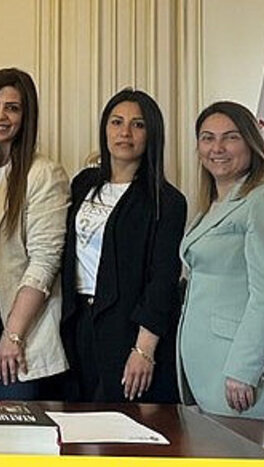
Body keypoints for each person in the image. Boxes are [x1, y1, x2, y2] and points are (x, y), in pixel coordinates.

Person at [178, 101, 264, 443]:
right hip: (203, 368)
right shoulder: (211, 206)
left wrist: (244, 370)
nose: (217, 148)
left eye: (230, 137)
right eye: (207, 138)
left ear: (251, 143)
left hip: (235, 372)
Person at [60, 89, 187, 404]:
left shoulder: (166, 201)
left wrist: (144, 349)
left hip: (127, 329)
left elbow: (163, 280)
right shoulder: (83, 184)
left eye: (138, 125)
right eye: (116, 122)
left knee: (120, 419)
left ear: (152, 133)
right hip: (77, 320)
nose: (125, 132)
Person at [0, 68, 69, 400]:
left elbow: (45, 262)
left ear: (27, 116)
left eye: (12, 108)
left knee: (10, 421)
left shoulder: (43, 173)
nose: (0, 116)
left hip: (17, 318)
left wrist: (14, 334)